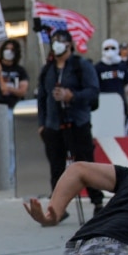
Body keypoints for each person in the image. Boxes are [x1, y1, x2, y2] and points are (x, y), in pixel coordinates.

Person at [37, 28, 104, 211]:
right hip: (53, 125)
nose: (56, 45)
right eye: (54, 41)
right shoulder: (47, 70)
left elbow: (93, 91)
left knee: (85, 163)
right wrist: (42, 124)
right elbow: (42, 98)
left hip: (77, 123)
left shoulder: (81, 66)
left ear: (69, 45)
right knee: (56, 167)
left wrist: (72, 96)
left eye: (60, 41)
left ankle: (97, 201)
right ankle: (57, 207)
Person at [94, 38, 128, 121]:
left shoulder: (122, 66)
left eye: (113, 48)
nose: (110, 51)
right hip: (104, 105)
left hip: (120, 105)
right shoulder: (98, 68)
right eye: (107, 48)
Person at [0, 38, 31, 108]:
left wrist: (9, 89)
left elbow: (23, 91)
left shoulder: (20, 70)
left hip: (13, 106)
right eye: (6, 49)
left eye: (12, 50)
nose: (8, 52)